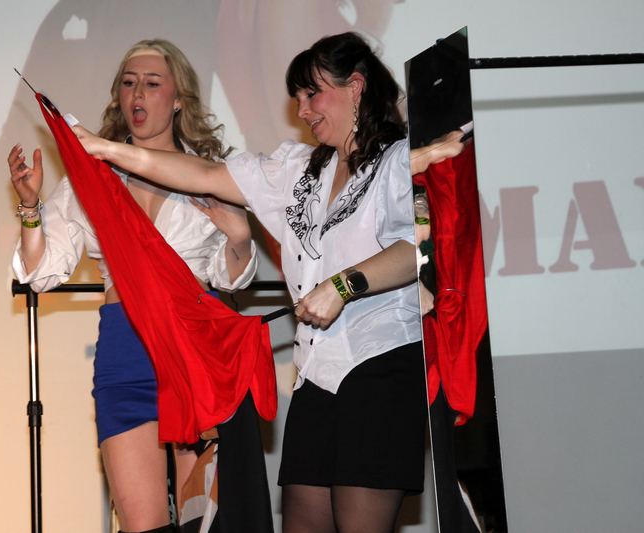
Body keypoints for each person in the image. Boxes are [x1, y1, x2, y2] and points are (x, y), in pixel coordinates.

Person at [72, 32, 464, 533]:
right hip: (315, 374)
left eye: (312, 94)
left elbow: (415, 251)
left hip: (381, 364)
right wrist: (106, 150)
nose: (301, 110)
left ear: (356, 87)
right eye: (297, 98)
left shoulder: (398, 162)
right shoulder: (297, 170)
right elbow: (200, 174)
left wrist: (343, 286)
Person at [8, 39, 259, 533]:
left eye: (152, 82)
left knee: (201, 522)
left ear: (179, 99)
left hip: (192, 347)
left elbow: (230, 276)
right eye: (128, 82)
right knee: (143, 526)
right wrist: (31, 207)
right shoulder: (91, 177)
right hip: (124, 352)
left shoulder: (208, 175)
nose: (137, 93)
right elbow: (42, 271)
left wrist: (240, 238)